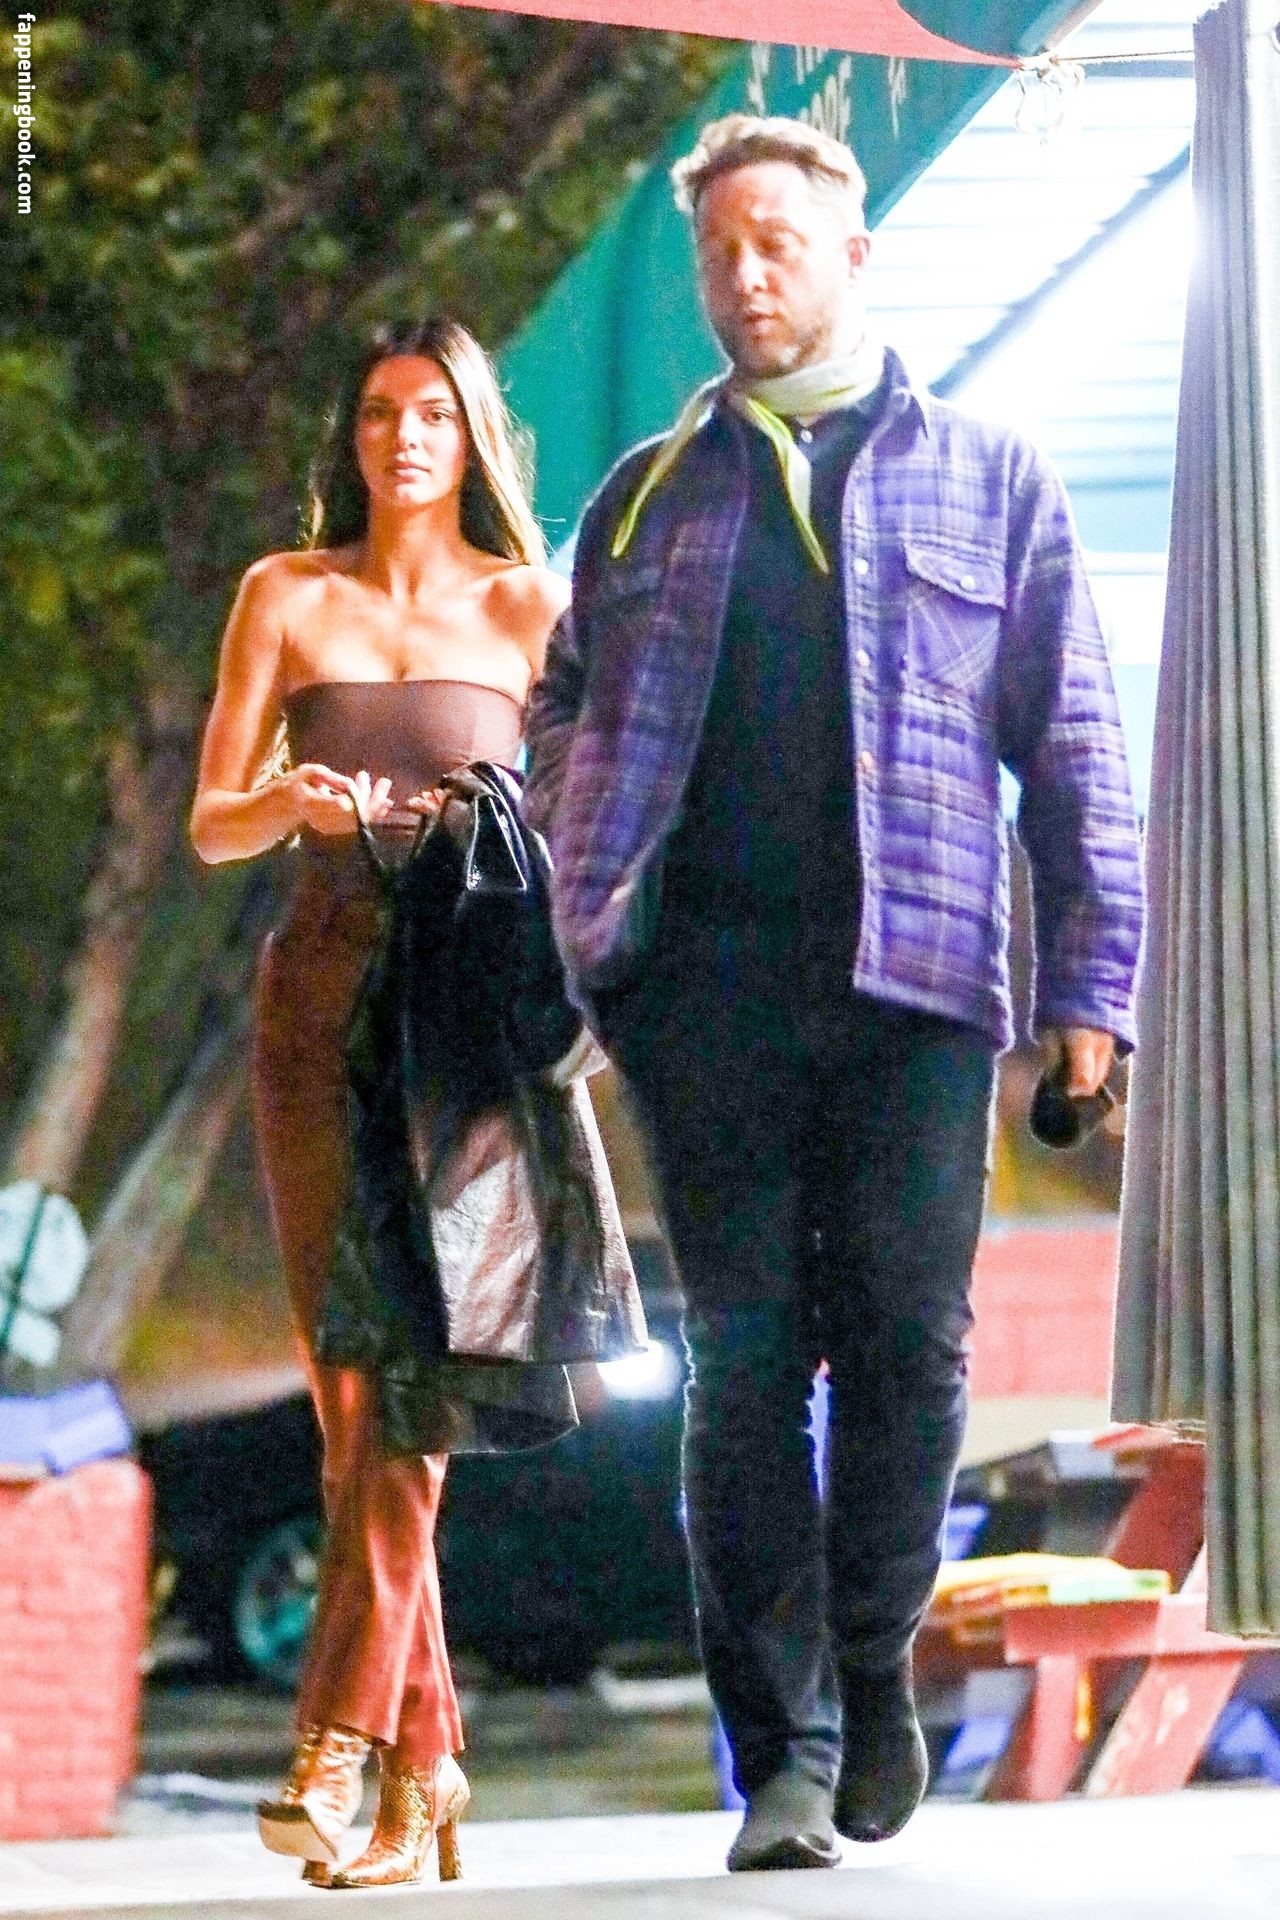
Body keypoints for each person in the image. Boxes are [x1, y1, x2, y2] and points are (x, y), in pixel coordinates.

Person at [524, 114, 1144, 1873]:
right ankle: (779, 1751)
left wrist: (1092, 988)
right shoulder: (645, 494)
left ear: (853, 256)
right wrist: (588, 862)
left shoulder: (991, 477)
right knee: (740, 1368)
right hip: (700, 1000)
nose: (745, 275)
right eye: (720, 249)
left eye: (777, 242)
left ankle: (874, 1661)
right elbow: (562, 701)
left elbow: (1078, 745)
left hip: (919, 992)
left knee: (908, 1346)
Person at [190, 317, 570, 1888]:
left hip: (467, 1020)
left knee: (419, 1379)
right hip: (319, 1004)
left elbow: (584, 819)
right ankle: (431, 1764)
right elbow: (211, 822)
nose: (402, 436)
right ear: (351, 437)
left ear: (473, 435)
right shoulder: (285, 595)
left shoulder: (530, 604)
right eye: (377, 413)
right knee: (357, 1389)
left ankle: (338, 1744)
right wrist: (283, 800)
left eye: (431, 413)